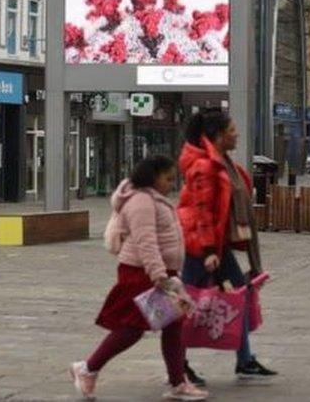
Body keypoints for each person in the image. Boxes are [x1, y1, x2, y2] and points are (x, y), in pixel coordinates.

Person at [70, 156, 209, 401]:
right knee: (132, 328)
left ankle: (178, 382)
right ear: (153, 176)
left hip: (157, 272)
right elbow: (146, 241)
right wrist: (160, 276)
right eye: (167, 178)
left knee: (173, 326)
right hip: (142, 273)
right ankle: (87, 368)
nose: (171, 183)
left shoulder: (152, 198)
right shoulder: (141, 201)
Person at [177, 109, 277, 385]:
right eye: (232, 130)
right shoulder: (205, 166)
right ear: (219, 136)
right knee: (186, 305)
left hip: (215, 246)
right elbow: (202, 212)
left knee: (240, 295)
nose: (237, 134)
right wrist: (209, 251)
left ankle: (244, 360)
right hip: (201, 248)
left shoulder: (222, 162)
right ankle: (178, 365)